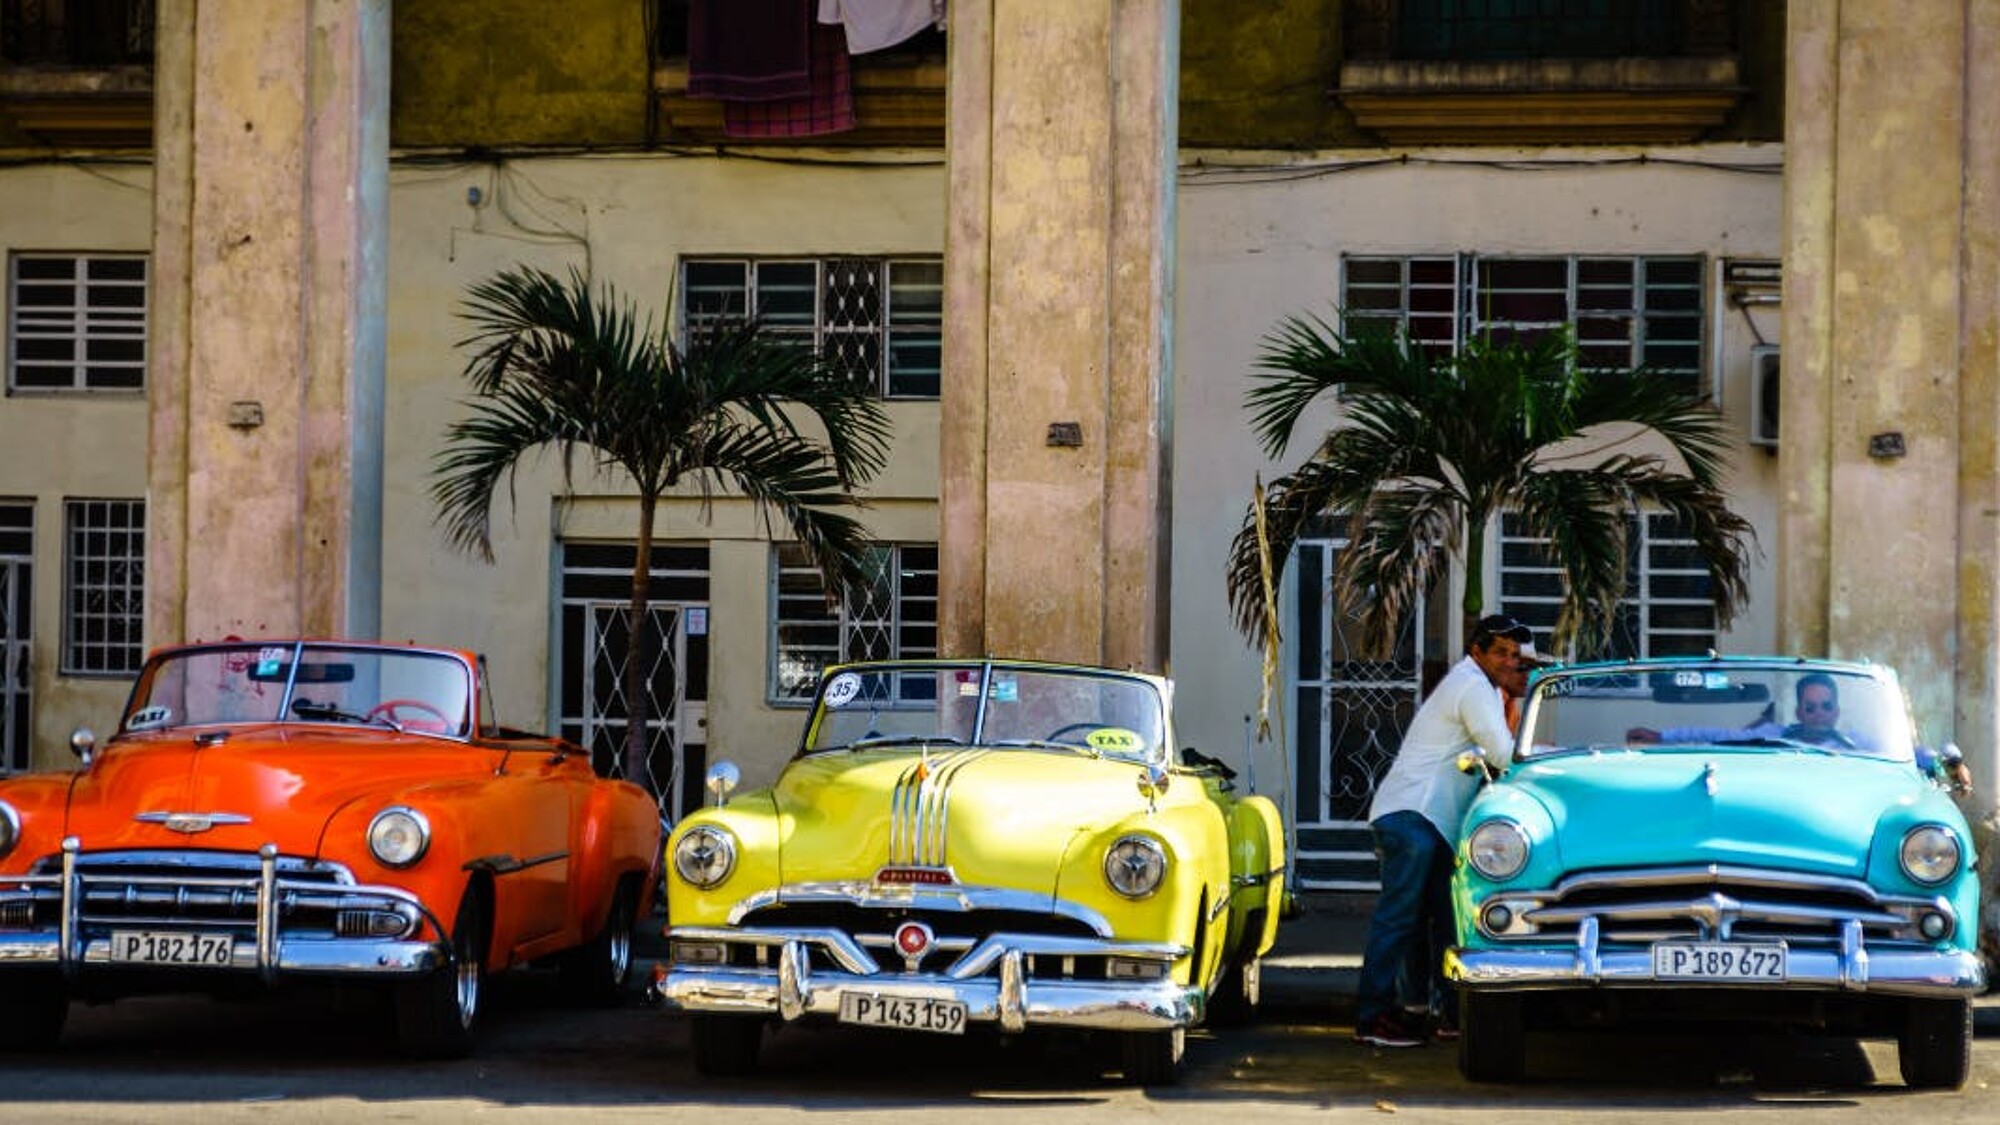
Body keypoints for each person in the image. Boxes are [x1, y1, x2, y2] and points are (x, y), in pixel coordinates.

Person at [1355, 613, 1529, 1049]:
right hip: (1413, 817)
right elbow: (1506, 755)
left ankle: (1448, 1015)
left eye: (1515, 654)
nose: (1510, 661)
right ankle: (1372, 1017)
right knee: (1399, 921)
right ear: (1478, 652)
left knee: (1445, 922)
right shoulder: (1471, 685)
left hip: (1426, 821)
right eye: (1501, 652)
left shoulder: (1483, 687)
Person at [1627, 673, 1856, 747]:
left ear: (1836, 711)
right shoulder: (1774, 735)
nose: (1819, 713)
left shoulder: (1856, 746)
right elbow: (1718, 735)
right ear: (1799, 713)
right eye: (1810, 707)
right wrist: (1661, 736)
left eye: (1826, 706)